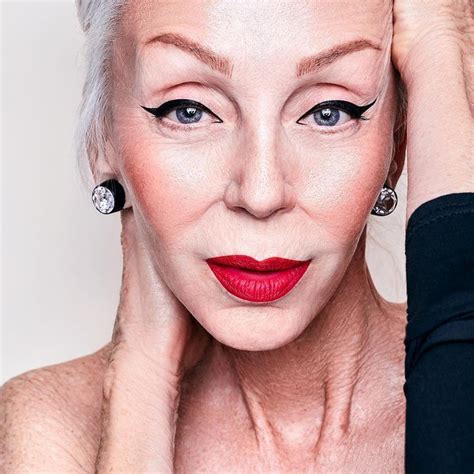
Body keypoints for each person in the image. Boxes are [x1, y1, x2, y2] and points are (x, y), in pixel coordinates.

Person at [0, 0, 472, 472]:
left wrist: (440, 51)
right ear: (101, 138)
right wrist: (142, 378)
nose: (261, 194)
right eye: (188, 110)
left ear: (399, 141)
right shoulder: (54, 431)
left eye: (329, 112)